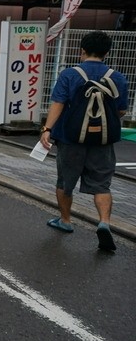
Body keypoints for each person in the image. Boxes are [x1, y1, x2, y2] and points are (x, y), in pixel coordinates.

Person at [40, 31, 129, 253]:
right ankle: (104, 223)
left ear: (82, 50)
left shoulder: (70, 74)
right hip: (102, 140)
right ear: (107, 52)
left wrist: (47, 129)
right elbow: (121, 110)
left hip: (70, 139)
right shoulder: (117, 77)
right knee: (102, 183)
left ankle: (66, 220)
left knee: (65, 182)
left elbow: (58, 104)